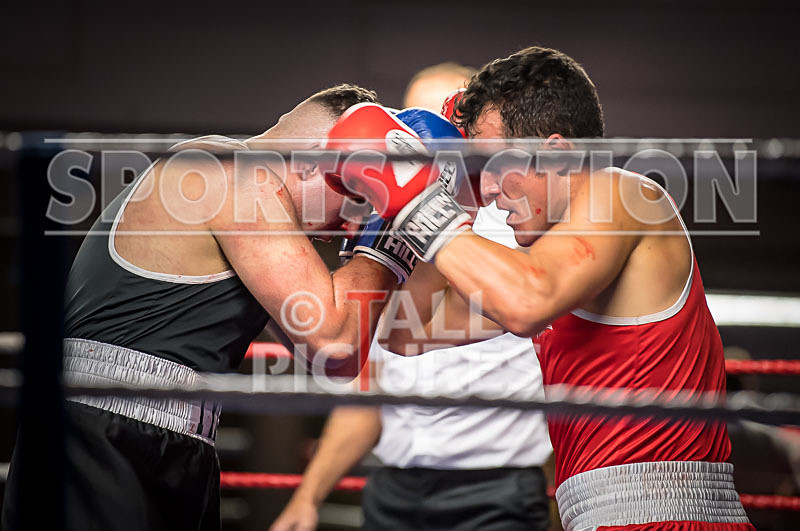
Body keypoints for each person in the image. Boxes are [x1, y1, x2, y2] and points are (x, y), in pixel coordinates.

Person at [331, 47, 754, 530]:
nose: (486, 191)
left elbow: (527, 302)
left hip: (672, 518)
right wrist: (438, 195)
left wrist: (419, 202)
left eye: (492, 165)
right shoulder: (547, 266)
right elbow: (406, 331)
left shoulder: (624, 194)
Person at [2, 84, 415, 531]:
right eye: (358, 194)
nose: (348, 225)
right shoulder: (230, 171)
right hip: (105, 435)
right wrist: (390, 235)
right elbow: (335, 340)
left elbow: (333, 361)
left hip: (161, 441)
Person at [271, 66, 552, 531]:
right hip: (394, 489)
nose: (438, 128)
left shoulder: (519, 226)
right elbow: (374, 383)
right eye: (417, 116)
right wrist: (308, 496)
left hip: (496, 490)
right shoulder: (386, 227)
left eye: (454, 115)